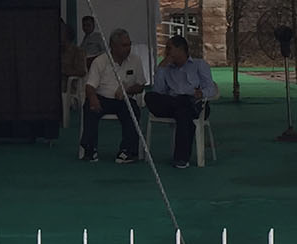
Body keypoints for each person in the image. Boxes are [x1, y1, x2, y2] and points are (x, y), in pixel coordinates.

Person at [148, 34, 217, 169]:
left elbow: (211, 89)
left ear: (180, 49)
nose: (166, 52)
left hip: (196, 104)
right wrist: (161, 68)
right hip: (174, 104)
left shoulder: (199, 65)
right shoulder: (167, 68)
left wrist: (201, 93)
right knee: (150, 97)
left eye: (169, 48)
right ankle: (181, 158)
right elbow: (158, 91)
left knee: (183, 110)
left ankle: (181, 158)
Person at [80, 27, 147, 164]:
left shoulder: (136, 60)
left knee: (133, 110)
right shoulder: (100, 61)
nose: (128, 48)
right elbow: (90, 86)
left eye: (129, 44)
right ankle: (90, 149)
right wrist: (93, 99)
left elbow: (141, 86)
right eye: (124, 45)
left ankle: (127, 151)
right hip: (102, 98)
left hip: (123, 99)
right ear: (113, 46)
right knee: (90, 108)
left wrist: (128, 90)